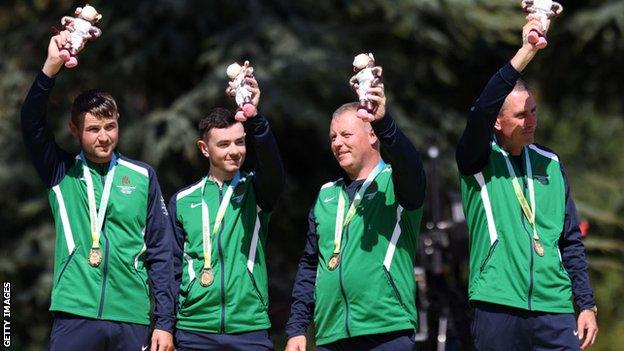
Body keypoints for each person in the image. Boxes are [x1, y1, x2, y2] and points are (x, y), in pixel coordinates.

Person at [20, 31, 175, 350]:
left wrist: (164, 323)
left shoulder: (143, 176)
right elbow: (31, 123)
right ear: (75, 130)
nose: (103, 137)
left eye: (110, 127)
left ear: (118, 122)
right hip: (75, 313)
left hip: (131, 317)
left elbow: (161, 251)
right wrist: (51, 67)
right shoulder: (60, 172)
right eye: (93, 129)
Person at [456, 15, 598, 350]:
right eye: (521, 115)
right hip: (497, 303)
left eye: (533, 111)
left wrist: (586, 303)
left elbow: (570, 240)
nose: (530, 121)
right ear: (497, 121)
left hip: (554, 307)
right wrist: (525, 53)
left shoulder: (550, 163)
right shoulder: (477, 160)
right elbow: (481, 109)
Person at [284, 81, 426, 350]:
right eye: (333, 137)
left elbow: (412, 167)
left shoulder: (395, 183)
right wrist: (296, 327)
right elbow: (310, 265)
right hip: (332, 335)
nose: (338, 143)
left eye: (346, 135)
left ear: (372, 135)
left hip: (386, 330)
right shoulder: (326, 195)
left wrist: (384, 122)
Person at [168, 66, 285, 351]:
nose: (235, 151)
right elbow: (170, 267)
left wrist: (254, 118)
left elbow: (273, 170)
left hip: (249, 328)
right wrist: (164, 325)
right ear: (204, 149)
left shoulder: (255, 191)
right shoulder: (183, 201)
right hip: (194, 330)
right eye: (224, 144)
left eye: (240, 142)